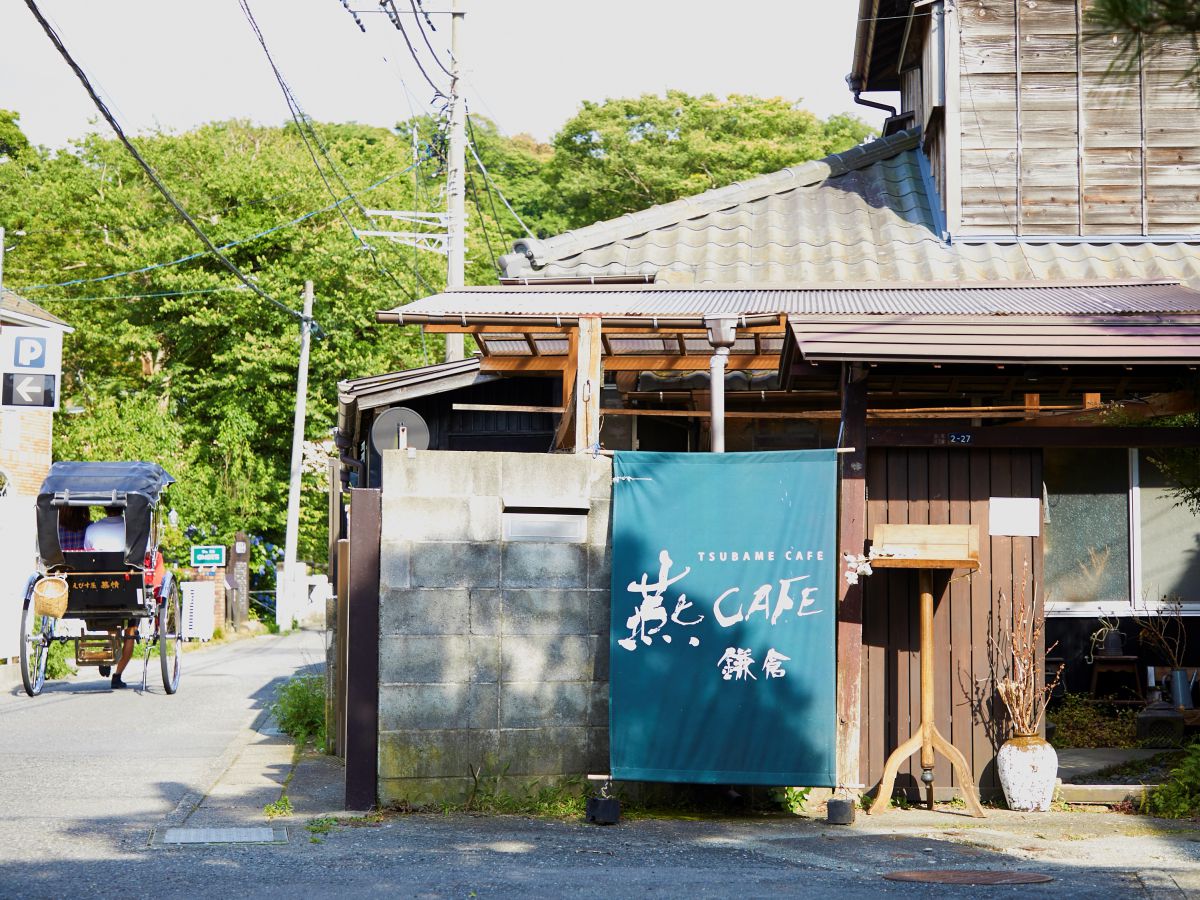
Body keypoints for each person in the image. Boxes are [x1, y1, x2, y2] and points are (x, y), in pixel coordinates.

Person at [83, 506, 135, 688]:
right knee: (131, 631)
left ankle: (108, 651)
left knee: (112, 624)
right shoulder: (133, 528)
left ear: (105, 508)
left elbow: (87, 556)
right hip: (127, 589)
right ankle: (117, 675)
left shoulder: (92, 529)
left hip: (100, 591)